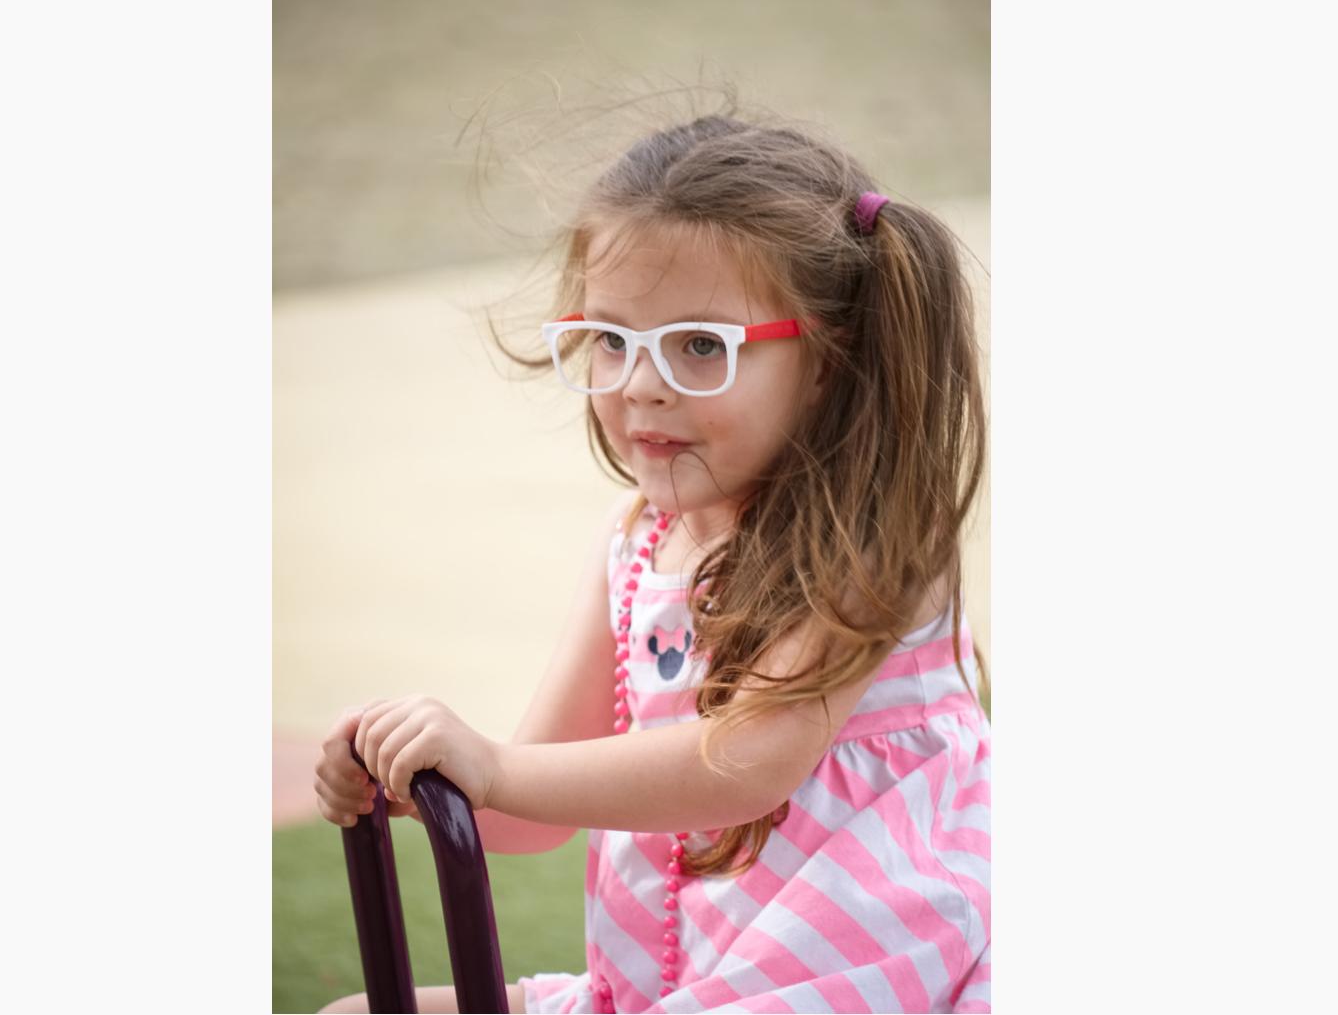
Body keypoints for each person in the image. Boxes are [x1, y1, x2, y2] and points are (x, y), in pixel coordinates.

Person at [314, 111, 990, 1014]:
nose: (641, 384)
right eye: (610, 340)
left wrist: (495, 767)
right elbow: (524, 809)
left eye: (700, 345)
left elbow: (742, 763)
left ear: (828, 360)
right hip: (674, 980)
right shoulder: (635, 544)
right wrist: (412, 772)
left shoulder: (872, 544)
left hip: (854, 974)